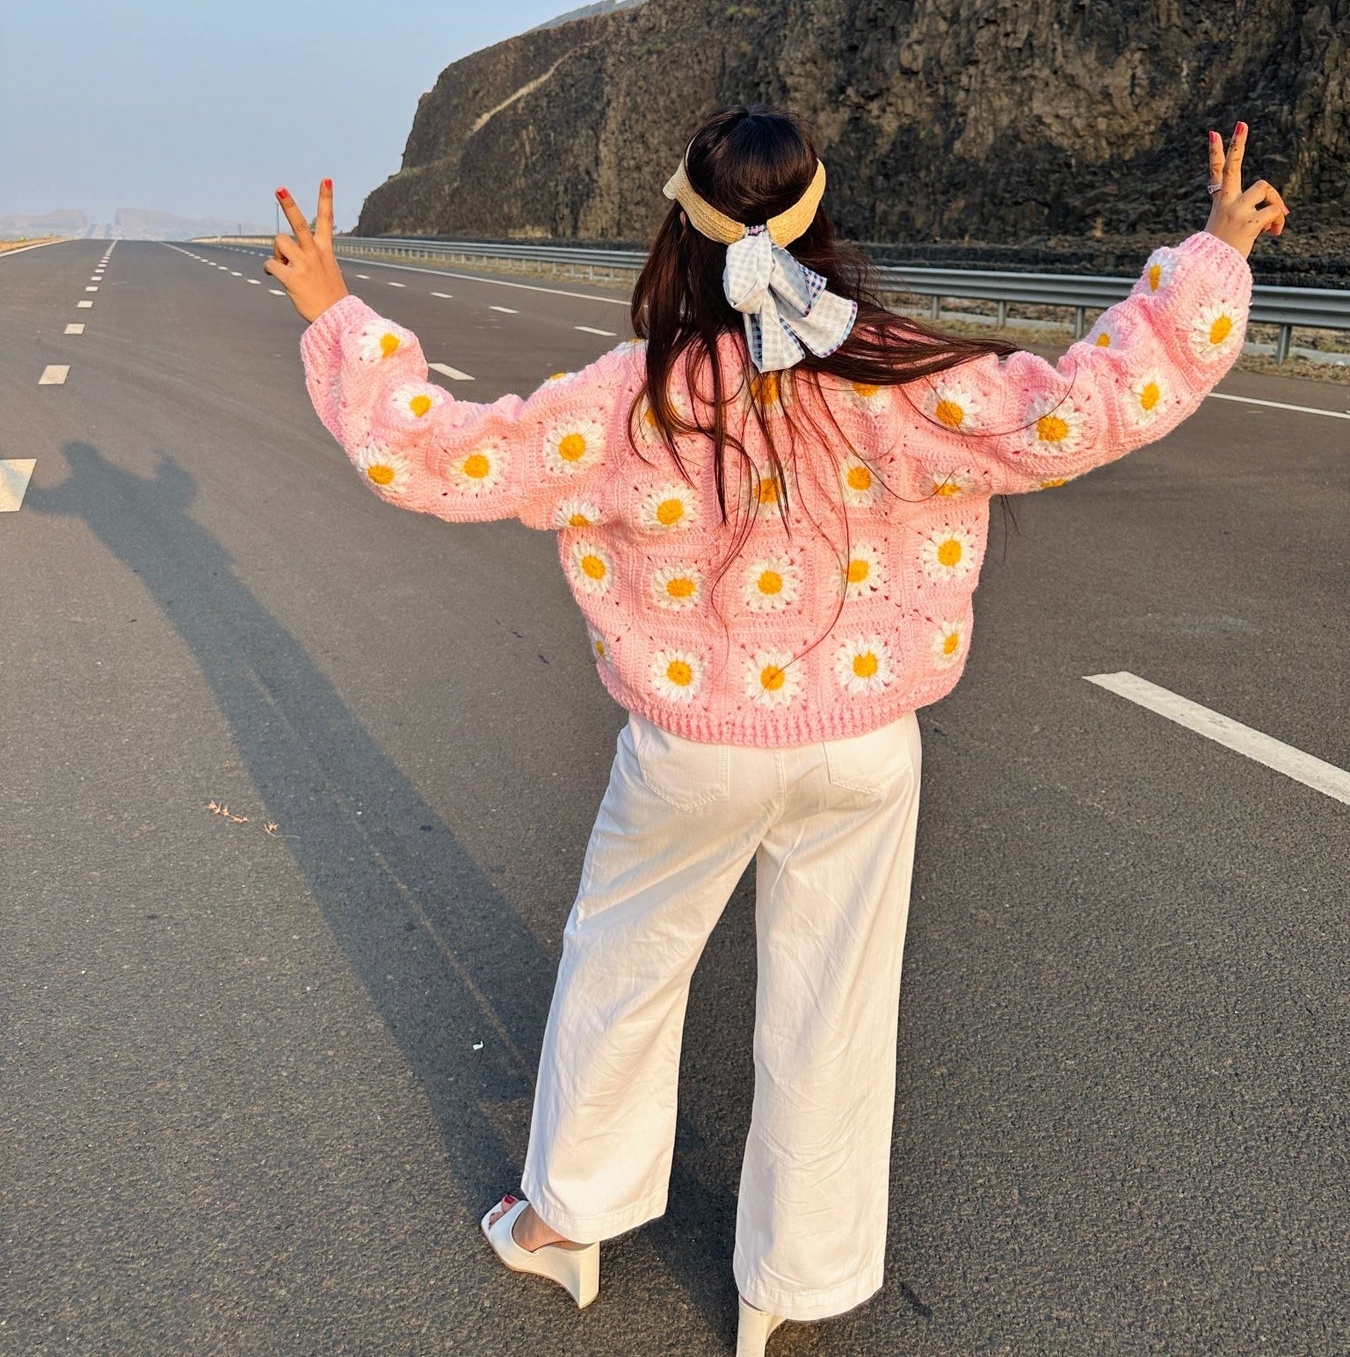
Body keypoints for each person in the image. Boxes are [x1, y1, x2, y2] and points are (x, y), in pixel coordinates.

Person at [267, 108, 1287, 1353]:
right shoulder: (898, 372)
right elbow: (1090, 405)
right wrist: (1214, 252)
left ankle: (567, 1222)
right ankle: (786, 1290)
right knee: (834, 1007)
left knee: (623, 966)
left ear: (681, 228)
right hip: (863, 744)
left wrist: (335, 311)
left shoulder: (638, 396)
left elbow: (443, 458)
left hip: (692, 750)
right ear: (819, 219)